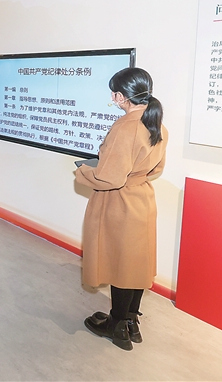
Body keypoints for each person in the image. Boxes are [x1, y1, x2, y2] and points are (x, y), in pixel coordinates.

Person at [75, 67, 168, 351]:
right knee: (136, 263)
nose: (112, 98)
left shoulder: (125, 126)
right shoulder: (158, 124)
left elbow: (109, 178)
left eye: (113, 93)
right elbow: (156, 169)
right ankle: (130, 321)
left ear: (121, 96)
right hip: (142, 199)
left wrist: (83, 172)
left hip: (119, 202)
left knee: (120, 265)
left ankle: (116, 326)